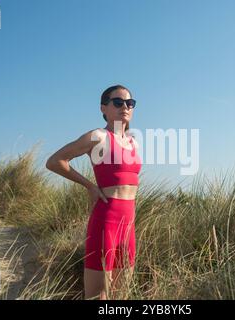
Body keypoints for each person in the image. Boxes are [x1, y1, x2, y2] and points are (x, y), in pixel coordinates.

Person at [45, 84, 142, 300]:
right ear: (103, 108)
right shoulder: (98, 136)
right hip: (106, 221)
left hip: (129, 226)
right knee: (99, 296)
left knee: (121, 295)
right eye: (117, 102)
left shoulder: (133, 142)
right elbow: (55, 162)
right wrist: (90, 186)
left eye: (130, 103)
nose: (125, 106)